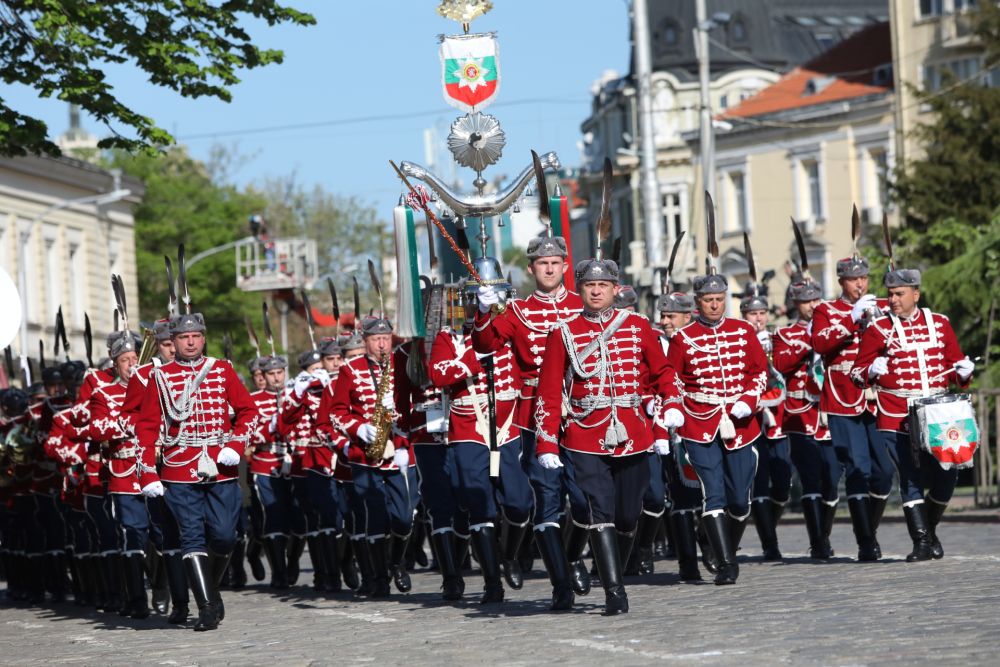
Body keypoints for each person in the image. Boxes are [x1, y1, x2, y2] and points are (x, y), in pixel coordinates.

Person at [533, 255, 683, 615]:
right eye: (589, 285)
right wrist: (546, 441)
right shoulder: (563, 333)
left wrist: (672, 401)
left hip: (633, 432)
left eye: (603, 285)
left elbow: (661, 370)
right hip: (585, 434)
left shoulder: (636, 325)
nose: (596, 291)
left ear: (615, 289)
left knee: (629, 514)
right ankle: (615, 592)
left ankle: (574, 560)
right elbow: (549, 391)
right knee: (598, 508)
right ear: (580, 289)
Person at [472, 232, 591, 606]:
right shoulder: (519, 311)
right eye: (542, 263)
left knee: (586, 502)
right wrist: (483, 311)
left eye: (556, 262)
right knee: (546, 499)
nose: (550, 268)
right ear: (531, 268)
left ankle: (571, 558)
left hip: (582, 413)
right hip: (536, 414)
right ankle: (560, 584)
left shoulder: (582, 304)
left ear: (566, 267)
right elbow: (485, 344)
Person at [135, 312, 258, 632]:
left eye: (196, 336)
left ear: (203, 338)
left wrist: (235, 442)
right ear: (173, 343)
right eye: (183, 337)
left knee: (224, 537)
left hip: (221, 465)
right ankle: (205, 606)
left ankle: (212, 592)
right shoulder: (159, 378)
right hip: (178, 468)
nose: (190, 341)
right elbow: (146, 429)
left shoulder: (221, 370)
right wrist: (147, 474)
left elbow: (248, 411)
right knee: (191, 537)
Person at [851, 267, 974, 561]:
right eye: (890, 294)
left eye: (899, 294)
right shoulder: (878, 329)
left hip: (939, 413)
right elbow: (856, 373)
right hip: (896, 413)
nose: (892, 299)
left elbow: (956, 365)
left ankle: (929, 530)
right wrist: (870, 370)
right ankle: (920, 542)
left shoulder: (940, 324)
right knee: (910, 475)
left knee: (949, 473)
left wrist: (965, 371)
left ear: (915, 294)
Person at [429, 281, 536, 606]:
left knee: (520, 503)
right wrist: (475, 362)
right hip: (468, 427)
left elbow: (530, 363)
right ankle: (492, 582)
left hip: (507, 425)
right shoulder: (450, 338)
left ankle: (509, 555)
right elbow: (439, 373)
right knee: (481, 506)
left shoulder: (510, 331)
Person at [664, 270, 768, 585]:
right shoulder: (683, 338)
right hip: (699, 421)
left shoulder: (743, 330)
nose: (714, 305)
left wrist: (749, 399)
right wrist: (673, 406)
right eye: (708, 300)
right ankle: (726, 563)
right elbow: (672, 378)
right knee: (714, 493)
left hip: (739, 422)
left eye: (719, 299)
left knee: (740, 501)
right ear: (697, 303)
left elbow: (760, 371)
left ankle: (711, 539)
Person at [811, 256, 893, 561]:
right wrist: (851, 320)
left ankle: (868, 529)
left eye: (864, 278)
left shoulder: (882, 304)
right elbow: (819, 344)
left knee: (884, 473)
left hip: (877, 395)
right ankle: (866, 541)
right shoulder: (826, 310)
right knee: (858, 468)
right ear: (841, 281)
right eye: (852, 279)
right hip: (843, 394)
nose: (860, 284)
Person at [328, 314, 415, 598]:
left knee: (404, 518)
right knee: (374, 517)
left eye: (386, 338)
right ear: (365, 341)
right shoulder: (350, 370)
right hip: (364, 456)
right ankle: (378, 579)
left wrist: (402, 439)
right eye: (376, 339)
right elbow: (337, 412)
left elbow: (413, 407)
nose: (382, 344)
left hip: (395, 453)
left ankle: (395, 562)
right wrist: (358, 427)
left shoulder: (399, 364)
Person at [772, 280, 839, 559]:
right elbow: (781, 364)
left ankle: (825, 531)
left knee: (832, 479)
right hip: (799, 412)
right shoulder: (785, 334)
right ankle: (818, 541)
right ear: (795, 304)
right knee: (811, 477)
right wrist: (810, 339)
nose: (812, 305)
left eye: (816, 300)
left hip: (830, 409)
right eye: (805, 301)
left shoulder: (833, 328)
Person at [652, 289, 704, 581]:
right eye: (662, 315)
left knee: (713, 493)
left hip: (703, 422)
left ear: (687, 316)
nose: (665, 321)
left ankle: (711, 544)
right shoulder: (656, 343)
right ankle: (688, 562)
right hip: (669, 427)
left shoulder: (700, 341)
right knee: (680, 495)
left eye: (671, 316)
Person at [740, 289, 792, 561]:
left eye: (762, 313)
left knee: (783, 484)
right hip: (752, 417)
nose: (758, 318)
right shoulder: (737, 341)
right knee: (758, 483)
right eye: (753, 314)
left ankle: (768, 524)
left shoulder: (775, 338)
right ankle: (769, 543)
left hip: (777, 418)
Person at [247, 353, 295, 588]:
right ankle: (279, 571)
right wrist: (271, 424)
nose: (276, 378)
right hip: (265, 463)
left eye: (279, 373)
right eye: (271, 374)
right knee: (273, 517)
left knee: (295, 518)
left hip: (293, 463)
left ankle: (293, 562)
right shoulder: (253, 400)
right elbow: (251, 435)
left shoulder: (294, 396)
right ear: (264, 376)